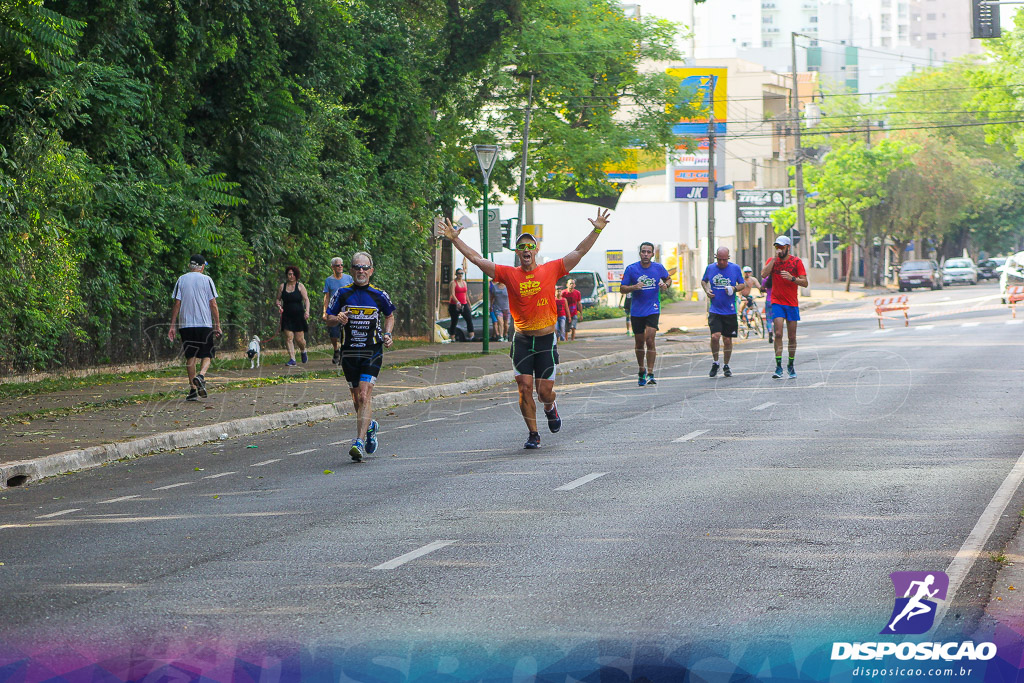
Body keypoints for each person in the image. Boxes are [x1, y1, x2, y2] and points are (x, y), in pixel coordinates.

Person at [440, 209, 611, 449]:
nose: (526, 250)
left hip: (545, 341)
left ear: (536, 250)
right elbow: (478, 259)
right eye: (522, 247)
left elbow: (579, 251)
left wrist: (597, 229)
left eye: (530, 246)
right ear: (518, 253)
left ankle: (550, 407)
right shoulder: (509, 274)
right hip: (521, 340)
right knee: (524, 389)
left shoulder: (551, 269)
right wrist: (455, 239)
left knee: (544, 392)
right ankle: (533, 434)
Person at [324, 251, 396, 462]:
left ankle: (358, 442)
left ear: (371, 271)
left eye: (365, 268)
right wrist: (337, 318)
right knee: (357, 399)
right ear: (352, 270)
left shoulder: (379, 295)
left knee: (365, 395)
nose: (361, 271)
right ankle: (370, 425)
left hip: (372, 351)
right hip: (349, 352)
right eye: (357, 267)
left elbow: (389, 315)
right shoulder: (342, 293)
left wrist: (388, 334)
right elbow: (328, 318)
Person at [168, 254, 221, 401]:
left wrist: (172, 325)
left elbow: (177, 304)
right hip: (204, 323)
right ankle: (201, 375)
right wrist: (217, 325)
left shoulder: (181, 279)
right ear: (202, 266)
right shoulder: (207, 280)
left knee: (190, 356)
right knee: (207, 355)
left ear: (190, 266)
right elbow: (213, 304)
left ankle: (192, 390)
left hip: (186, 325)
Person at [619, 242, 671, 386]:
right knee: (639, 342)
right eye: (643, 252)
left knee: (650, 339)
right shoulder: (632, 269)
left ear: (653, 254)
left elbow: (668, 278)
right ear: (640, 253)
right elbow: (622, 288)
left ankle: (650, 372)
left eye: (649, 252)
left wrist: (666, 285)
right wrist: (634, 287)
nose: (646, 254)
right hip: (637, 310)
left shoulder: (658, 268)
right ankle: (641, 370)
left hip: (653, 308)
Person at [760, 235, 807, 379]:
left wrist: (792, 278)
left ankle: (791, 365)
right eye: (777, 247)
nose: (779, 249)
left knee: (792, 337)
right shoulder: (772, 261)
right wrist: (774, 260)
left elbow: (805, 283)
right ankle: (778, 366)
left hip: (791, 303)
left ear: (788, 247)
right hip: (777, 301)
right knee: (778, 333)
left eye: (781, 247)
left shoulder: (796, 262)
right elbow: (763, 274)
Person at [701, 247, 748, 378]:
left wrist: (734, 288)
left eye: (724, 260)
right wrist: (707, 290)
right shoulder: (710, 268)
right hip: (715, 309)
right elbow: (704, 281)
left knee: (727, 340)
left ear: (728, 258)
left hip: (730, 310)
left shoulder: (735, 268)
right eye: (719, 259)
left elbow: (742, 284)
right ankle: (715, 362)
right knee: (715, 337)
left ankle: (726, 365)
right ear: (716, 257)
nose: (721, 262)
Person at [276, 266, 311, 366]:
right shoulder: (282, 286)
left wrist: (307, 311)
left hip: (299, 315)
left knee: (299, 339)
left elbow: (306, 299)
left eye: (293, 274)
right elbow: (278, 299)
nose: (291, 276)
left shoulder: (300, 286)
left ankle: (303, 350)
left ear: (296, 275)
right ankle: (292, 359)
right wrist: (279, 306)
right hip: (286, 315)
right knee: (289, 337)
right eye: (289, 274)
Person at [323, 257, 354, 365]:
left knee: (346, 333)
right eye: (337, 265)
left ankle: (344, 354)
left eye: (341, 265)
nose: (340, 267)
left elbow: (354, 292)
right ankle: (336, 349)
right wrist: (325, 312)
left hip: (347, 309)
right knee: (333, 333)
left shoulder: (349, 278)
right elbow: (327, 297)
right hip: (334, 310)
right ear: (333, 267)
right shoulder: (329, 280)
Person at [448, 267, 474, 341]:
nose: (460, 275)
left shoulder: (464, 282)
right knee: (454, 320)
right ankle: (452, 337)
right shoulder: (453, 283)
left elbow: (466, 294)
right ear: (456, 274)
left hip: (464, 304)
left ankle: (471, 336)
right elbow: (452, 294)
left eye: (461, 273)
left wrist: (469, 304)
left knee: (469, 319)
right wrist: (457, 302)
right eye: (459, 273)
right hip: (455, 304)